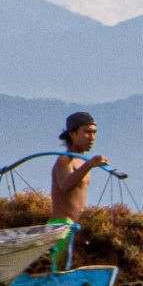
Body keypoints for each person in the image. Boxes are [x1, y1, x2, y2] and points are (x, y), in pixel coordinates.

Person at [46, 112, 110, 272]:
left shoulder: (82, 162)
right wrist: (89, 165)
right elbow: (65, 184)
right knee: (60, 270)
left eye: (94, 132)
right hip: (61, 226)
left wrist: (89, 164)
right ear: (73, 133)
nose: (92, 137)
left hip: (74, 226)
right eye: (87, 132)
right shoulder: (65, 160)